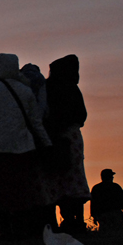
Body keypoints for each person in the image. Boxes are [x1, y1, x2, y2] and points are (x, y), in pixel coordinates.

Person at [0, 53, 52, 238]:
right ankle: (20, 229)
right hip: (22, 149)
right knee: (19, 191)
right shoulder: (25, 91)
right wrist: (46, 143)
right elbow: (35, 122)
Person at [43, 55, 91, 234]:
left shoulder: (47, 88)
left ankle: (53, 222)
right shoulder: (72, 89)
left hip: (50, 138)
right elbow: (82, 115)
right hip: (70, 138)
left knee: (53, 179)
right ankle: (75, 221)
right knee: (73, 178)